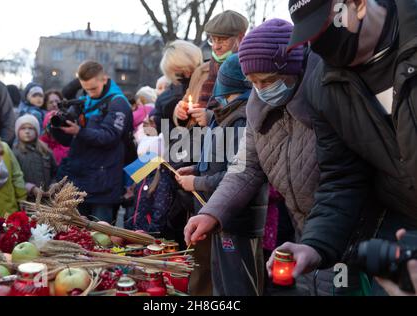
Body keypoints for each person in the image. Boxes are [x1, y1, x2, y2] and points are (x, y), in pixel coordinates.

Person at [268, 0, 417, 296]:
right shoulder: (323, 88)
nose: (321, 45)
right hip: (402, 231)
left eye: (325, 27)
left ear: (358, 4)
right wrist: (314, 244)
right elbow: (342, 178)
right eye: (311, 37)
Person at [182, 19, 329, 294]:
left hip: (343, 229)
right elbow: (246, 167)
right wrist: (212, 212)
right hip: (305, 231)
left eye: (268, 80)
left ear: (292, 70)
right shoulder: (257, 107)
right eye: (253, 82)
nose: (260, 89)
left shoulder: (325, 102)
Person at [177, 53, 268, 296]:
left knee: (238, 286)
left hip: (238, 219)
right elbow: (220, 160)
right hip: (222, 215)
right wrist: (197, 168)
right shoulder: (225, 115)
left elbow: (238, 174)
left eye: (228, 95)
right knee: (223, 283)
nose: (224, 99)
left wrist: (196, 182)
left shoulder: (240, 120)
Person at [57, 61, 132, 224]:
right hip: (80, 180)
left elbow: (109, 136)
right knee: (77, 236)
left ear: (104, 79)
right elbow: (67, 140)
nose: (90, 93)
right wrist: (56, 127)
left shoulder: (118, 102)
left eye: (93, 88)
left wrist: (79, 131)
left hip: (104, 185)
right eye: (85, 89)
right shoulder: (83, 102)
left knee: (101, 239)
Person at [174, 10, 249, 129]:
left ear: (241, 38)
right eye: (213, 40)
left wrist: (211, 118)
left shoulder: (249, 72)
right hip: (195, 141)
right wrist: (179, 112)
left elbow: (248, 114)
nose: (215, 46)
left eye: (222, 40)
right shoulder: (201, 71)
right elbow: (186, 104)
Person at [125, 134, 174, 235]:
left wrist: (151, 231)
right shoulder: (144, 178)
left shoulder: (162, 180)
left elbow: (160, 211)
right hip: (137, 231)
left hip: (149, 234)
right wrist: (130, 224)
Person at [13, 114, 57, 199]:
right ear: (17, 132)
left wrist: (54, 184)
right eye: (23, 128)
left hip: (48, 200)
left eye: (31, 128)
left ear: (37, 131)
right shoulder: (15, 153)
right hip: (28, 200)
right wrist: (31, 188)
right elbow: (14, 178)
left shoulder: (46, 151)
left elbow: (55, 173)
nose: (27, 131)